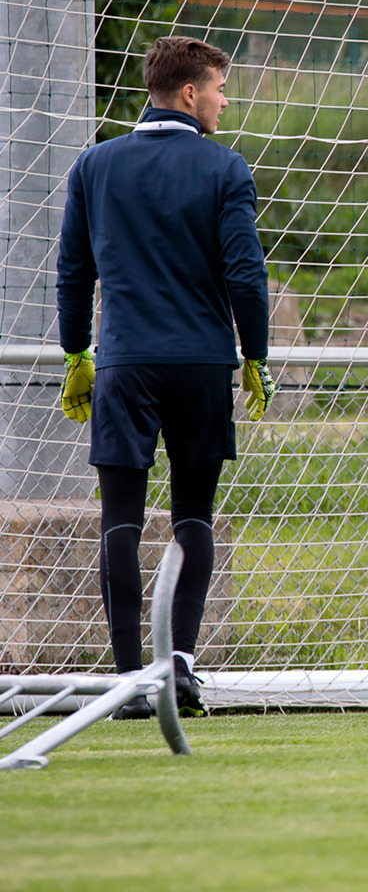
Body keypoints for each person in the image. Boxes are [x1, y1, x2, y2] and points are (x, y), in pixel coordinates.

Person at [56, 35, 275, 720]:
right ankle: (180, 665)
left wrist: (75, 353)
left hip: (123, 362)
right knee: (192, 516)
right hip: (201, 365)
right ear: (189, 93)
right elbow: (245, 272)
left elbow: (72, 271)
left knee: (119, 519)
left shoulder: (95, 165)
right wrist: (255, 353)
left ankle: (127, 684)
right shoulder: (225, 168)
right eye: (218, 86)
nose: (224, 99)